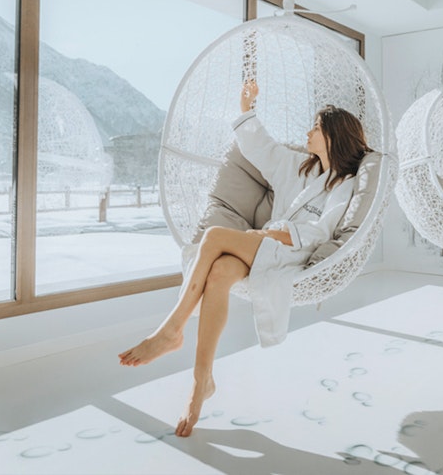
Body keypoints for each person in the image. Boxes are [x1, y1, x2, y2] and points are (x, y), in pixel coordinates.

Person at [119, 80, 371, 437]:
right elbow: (261, 146)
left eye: (315, 127)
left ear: (333, 135)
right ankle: (201, 382)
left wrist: (270, 234)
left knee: (214, 236)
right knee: (220, 272)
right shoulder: (301, 167)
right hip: (265, 246)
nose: (308, 133)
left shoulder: (346, 184)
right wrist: (245, 107)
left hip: (289, 253)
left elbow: (322, 231)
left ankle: (172, 329)